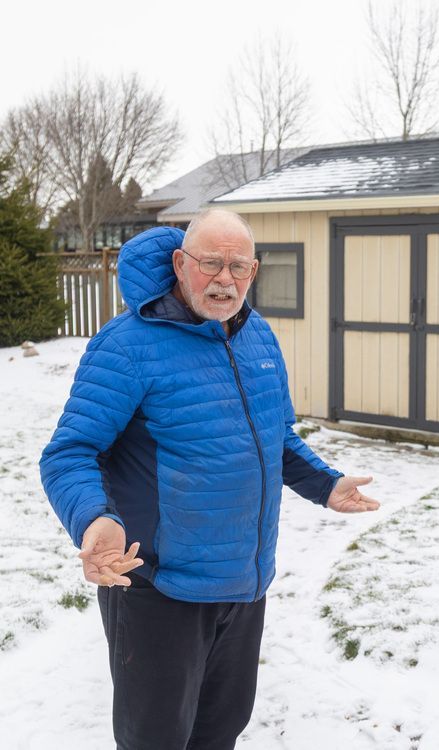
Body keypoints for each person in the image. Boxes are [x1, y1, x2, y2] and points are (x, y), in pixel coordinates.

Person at [40, 208, 380, 750]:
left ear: (254, 270)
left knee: (220, 730)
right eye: (210, 263)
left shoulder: (257, 336)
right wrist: (95, 519)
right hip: (158, 587)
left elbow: (275, 434)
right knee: (156, 738)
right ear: (180, 263)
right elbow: (70, 452)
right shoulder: (126, 346)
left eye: (238, 266)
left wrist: (325, 484)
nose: (225, 279)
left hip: (243, 582)